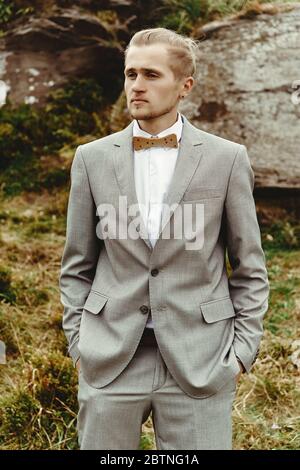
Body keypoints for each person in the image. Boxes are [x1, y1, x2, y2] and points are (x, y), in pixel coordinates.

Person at [59, 27, 269, 450]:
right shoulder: (92, 159)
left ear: (184, 86)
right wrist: (79, 343)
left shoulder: (227, 160)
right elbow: (76, 265)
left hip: (201, 357)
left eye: (151, 75)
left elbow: (250, 267)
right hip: (110, 357)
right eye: (130, 73)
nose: (136, 86)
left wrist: (241, 354)